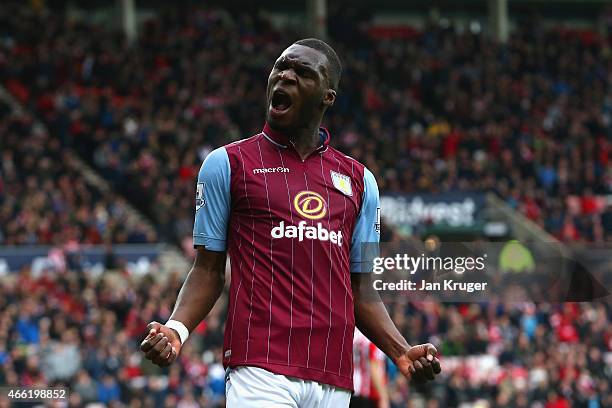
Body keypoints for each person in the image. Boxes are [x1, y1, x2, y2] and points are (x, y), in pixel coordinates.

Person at [140, 38, 441, 407]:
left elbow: (360, 290)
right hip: (260, 368)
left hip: (333, 377)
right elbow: (208, 270)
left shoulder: (360, 181)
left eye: (301, 72)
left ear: (326, 96)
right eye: (280, 67)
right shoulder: (228, 164)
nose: (285, 75)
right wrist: (176, 329)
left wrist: (400, 351)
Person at [351, 328, 390, 408]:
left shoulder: (354, 334)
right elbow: (374, 369)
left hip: (350, 388)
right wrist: (383, 396)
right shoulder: (375, 338)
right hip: (366, 392)